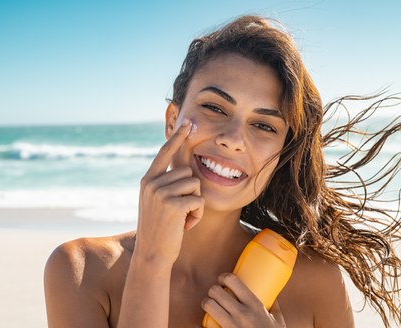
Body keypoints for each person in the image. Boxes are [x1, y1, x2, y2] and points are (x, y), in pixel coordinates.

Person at [44, 15, 401, 327]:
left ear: (281, 152)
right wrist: (151, 263)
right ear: (173, 120)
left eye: (264, 126)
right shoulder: (81, 271)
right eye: (215, 107)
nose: (233, 140)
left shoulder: (316, 281)